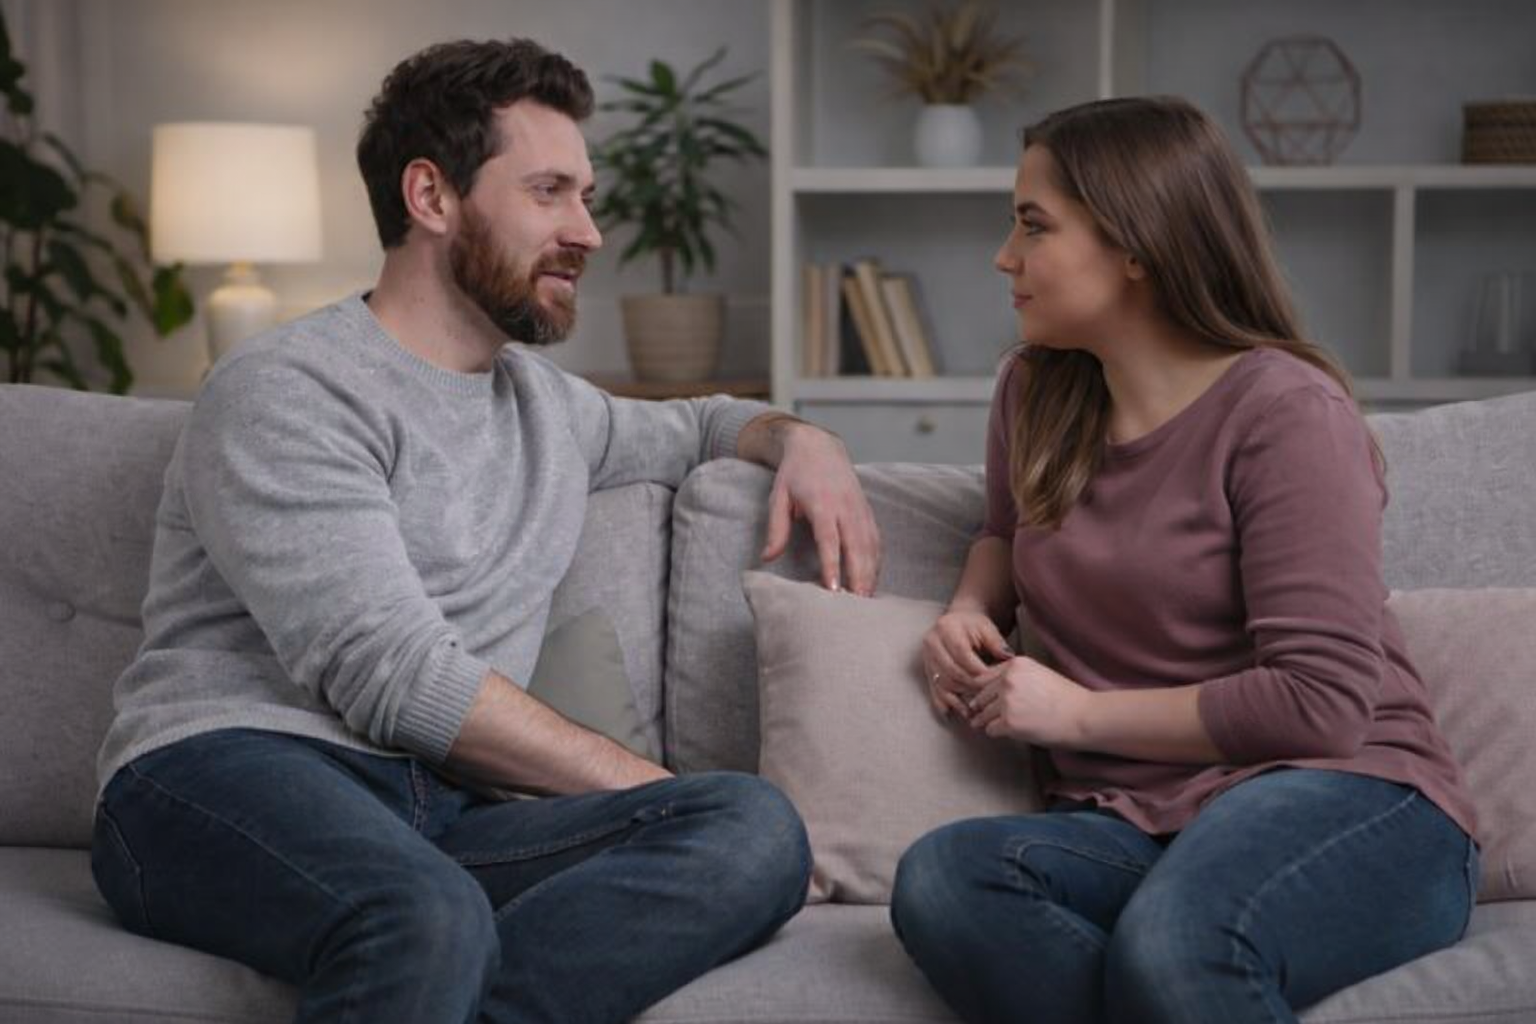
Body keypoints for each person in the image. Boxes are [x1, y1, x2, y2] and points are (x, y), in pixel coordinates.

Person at [90, 37, 880, 1024]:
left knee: (755, 828)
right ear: (431, 197)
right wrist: (646, 782)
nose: (588, 231)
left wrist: (803, 440)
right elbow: (396, 677)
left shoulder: (549, 406)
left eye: (586, 196)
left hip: (441, 808)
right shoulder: (285, 388)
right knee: (423, 912)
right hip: (224, 777)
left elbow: (698, 423)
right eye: (550, 191)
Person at [889, 96, 1479, 1024]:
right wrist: (969, 609)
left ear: (1136, 243)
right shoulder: (1035, 389)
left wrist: (1078, 712)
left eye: (1033, 225)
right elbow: (1003, 529)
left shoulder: (1286, 413)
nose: (1006, 257)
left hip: (1344, 799)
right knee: (945, 878)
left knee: (1179, 943)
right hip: (1132, 819)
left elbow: (1320, 706)